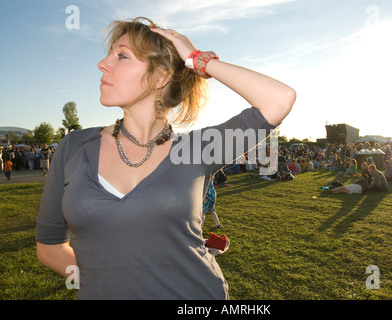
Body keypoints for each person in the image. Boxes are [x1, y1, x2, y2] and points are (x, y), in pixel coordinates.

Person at [35, 17, 295, 300]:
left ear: (161, 77)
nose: (102, 63)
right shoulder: (74, 146)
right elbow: (49, 247)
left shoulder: (198, 149)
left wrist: (199, 61)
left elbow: (279, 99)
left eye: (121, 55)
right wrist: (109, 283)